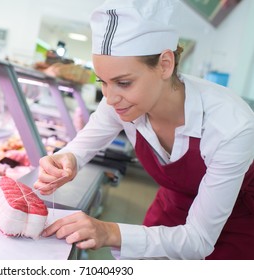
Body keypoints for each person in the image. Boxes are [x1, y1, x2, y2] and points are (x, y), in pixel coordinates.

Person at [33, 0, 254, 260]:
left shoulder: (231, 126)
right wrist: (65, 160)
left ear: (165, 64)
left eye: (123, 82)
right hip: (172, 208)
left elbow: (198, 240)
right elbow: (78, 149)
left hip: (237, 225)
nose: (111, 98)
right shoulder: (119, 102)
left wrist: (108, 231)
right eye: (102, 82)